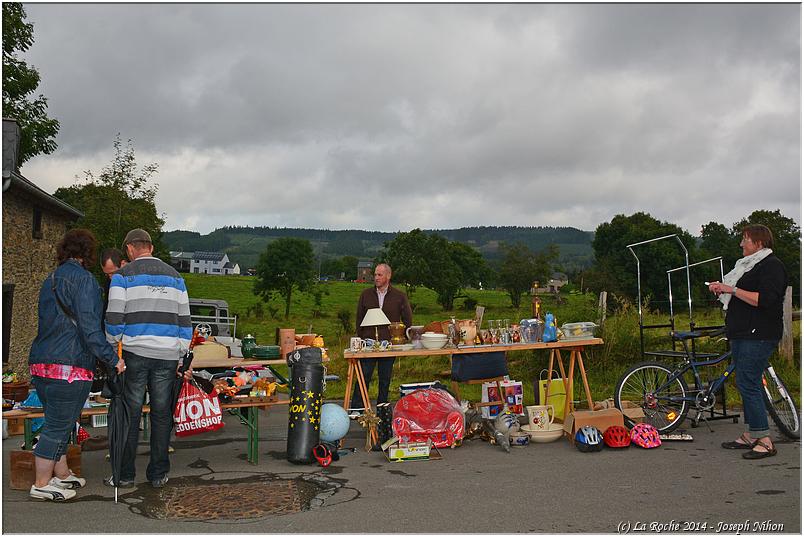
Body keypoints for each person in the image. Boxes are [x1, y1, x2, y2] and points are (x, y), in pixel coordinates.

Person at [28, 229, 125, 501]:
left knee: (58, 421)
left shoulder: (51, 279)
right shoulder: (85, 282)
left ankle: (61, 474)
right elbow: (90, 330)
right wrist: (113, 359)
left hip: (40, 362)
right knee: (59, 426)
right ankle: (41, 482)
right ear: (88, 253)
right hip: (69, 365)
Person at [104, 229, 192, 488]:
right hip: (167, 355)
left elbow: (114, 318)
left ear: (130, 249)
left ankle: (126, 475)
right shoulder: (176, 277)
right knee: (162, 414)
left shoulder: (122, 276)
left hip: (135, 353)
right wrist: (180, 353)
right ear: (151, 247)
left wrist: (112, 345)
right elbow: (185, 322)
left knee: (130, 414)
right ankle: (157, 474)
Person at [709, 224, 787, 460]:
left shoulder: (772, 266)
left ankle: (764, 440)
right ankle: (753, 433)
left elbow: (764, 300)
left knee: (749, 382)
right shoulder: (748, 266)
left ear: (759, 243)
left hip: (760, 333)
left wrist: (731, 290)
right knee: (744, 383)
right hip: (743, 332)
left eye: (745, 239)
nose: (741, 244)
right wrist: (724, 289)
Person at [350, 263, 412, 412]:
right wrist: (362, 338)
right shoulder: (366, 295)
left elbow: (408, 320)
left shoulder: (399, 296)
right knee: (364, 376)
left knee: (385, 379)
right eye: (375, 275)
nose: (376, 278)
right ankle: (356, 409)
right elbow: (359, 318)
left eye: (379, 275)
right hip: (369, 344)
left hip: (388, 345)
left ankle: (381, 410)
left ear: (388, 276)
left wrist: (401, 339)